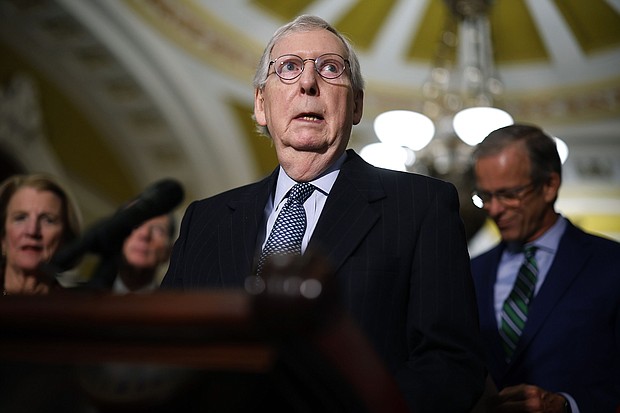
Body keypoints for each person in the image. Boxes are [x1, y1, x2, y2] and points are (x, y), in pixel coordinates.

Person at [161, 14, 485, 412]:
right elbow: (167, 351)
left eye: (330, 68)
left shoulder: (421, 206)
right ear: (262, 104)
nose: (308, 83)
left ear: (356, 105)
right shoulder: (205, 221)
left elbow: (450, 361)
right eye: (289, 67)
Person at [470, 124, 620, 413]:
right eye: (485, 197)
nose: (494, 210)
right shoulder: (471, 271)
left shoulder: (611, 265)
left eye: (509, 194)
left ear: (550, 185)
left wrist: (568, 406)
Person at [0, 173, 81, 295]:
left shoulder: (77, 311)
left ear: (65, 240)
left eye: (48, 220)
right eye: (20, 218)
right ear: (2, 238)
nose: (32, 231)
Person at [87, 214, 175, 293]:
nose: (144, 234)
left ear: (168, 251)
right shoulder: (80, 298)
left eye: (158, 230)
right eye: (135, 225)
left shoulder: (172, 307)